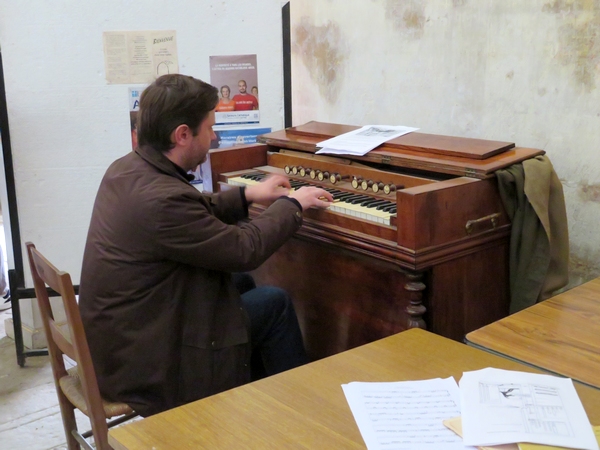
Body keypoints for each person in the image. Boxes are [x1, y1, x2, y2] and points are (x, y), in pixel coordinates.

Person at [78, 73, 333, 418]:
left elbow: (191, 214)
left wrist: (248, 194)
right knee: (274, 303)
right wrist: (293, 204)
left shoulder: (128, 168)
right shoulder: (162, 200)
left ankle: (249, 404)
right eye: (210, 128)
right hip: (146, 365)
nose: (214, 137)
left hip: (125, 336)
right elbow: (245, 250)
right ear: (182, 135)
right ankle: (299, 420)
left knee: (239, 285)